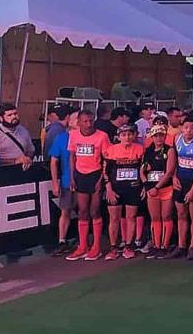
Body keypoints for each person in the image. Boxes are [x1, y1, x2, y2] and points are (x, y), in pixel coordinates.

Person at [66, 110, 111, 261]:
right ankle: (83, 246)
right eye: (85, 121)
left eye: (91, 121)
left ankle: (96, 246)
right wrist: (72, 177)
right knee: (82, 211)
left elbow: (107, 159)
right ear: (78, 122)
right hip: (80, 175)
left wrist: (102, 179)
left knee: (95, 211)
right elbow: (72, 156)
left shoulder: (102, 136)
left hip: (96, 174)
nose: (88, 124)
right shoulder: (73, 135)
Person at [102, 125, 144, 261]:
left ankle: (128, 246)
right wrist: (108, 189)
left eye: (130, 134)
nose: (127, 137)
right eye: (124, 135)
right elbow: (105, 171)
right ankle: (113, 248)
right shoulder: (111, 150)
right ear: (118, 137)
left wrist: (144, 186)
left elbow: (143, 170)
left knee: (131, 217)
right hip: (115, 189)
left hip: (133, 188)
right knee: (114, 219)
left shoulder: (139, 149)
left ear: (134, 135)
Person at [169, 117, 193, 260]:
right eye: (186, 127)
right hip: (180, 182)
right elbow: (174, 161)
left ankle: (192, 246)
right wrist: (173, 177)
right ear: (182, 128)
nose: (188, 130)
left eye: (192, 127)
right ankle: (181, 245)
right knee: (181, 215)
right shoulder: (177, 139)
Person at [48, 110, 79, 256]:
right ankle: (62, 241)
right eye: (77, 119)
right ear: (70, 122)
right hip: (67, 182)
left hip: (86, 182)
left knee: (86, 212)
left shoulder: (90, 137)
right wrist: (55, 182)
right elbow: (54, 162)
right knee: (65, 211)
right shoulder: (61, 138)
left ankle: (83, 241)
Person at [142, 123, 175, 259]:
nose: (159, 138)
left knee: (166, 216)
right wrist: (147, 185)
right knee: (155, 218)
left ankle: (164, 245)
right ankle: (156, 245)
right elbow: (142, 169)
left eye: (161, 135)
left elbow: (169, 172)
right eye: (156, 136)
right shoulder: (148, 151)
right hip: (151, 189)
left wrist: (157, 187)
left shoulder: (169, 150)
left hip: (165, 188)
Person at [0, 103, 34, 167]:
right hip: (3, 172)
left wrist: (28, 158)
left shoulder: (23, 131)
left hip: (22, 171)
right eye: (9, 115)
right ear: (0, 118)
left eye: (15, 114)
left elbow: (30, 150)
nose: (14, 117)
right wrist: (14, 161)